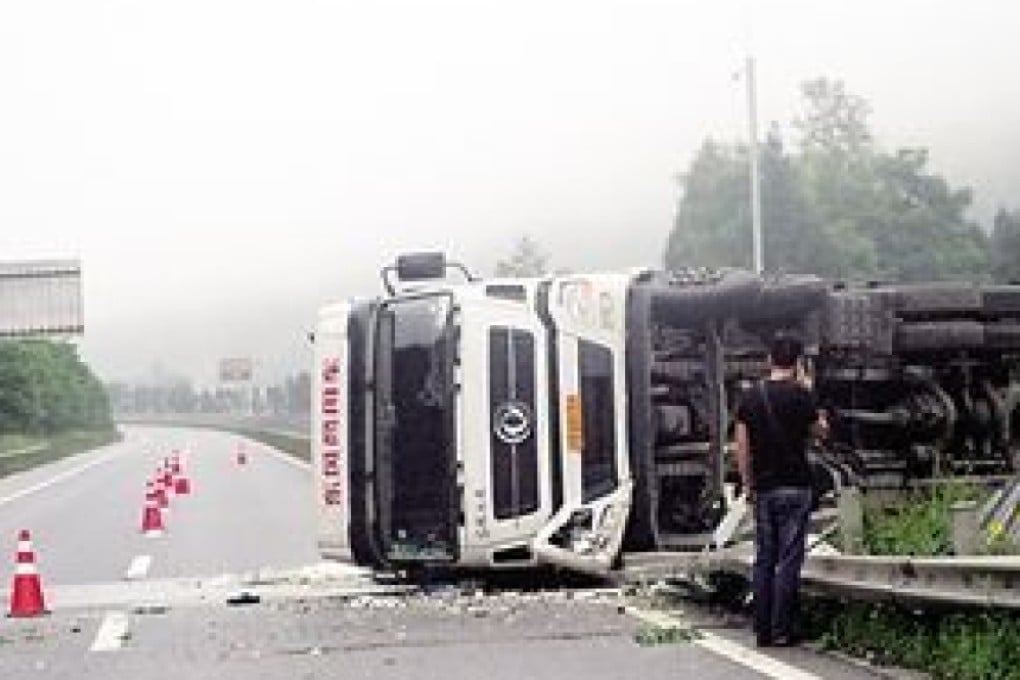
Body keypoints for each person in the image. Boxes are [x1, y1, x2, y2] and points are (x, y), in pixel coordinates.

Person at [734, 333, 828, 647]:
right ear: (798, 363)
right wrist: (810, 392)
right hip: (797, 485)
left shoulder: (750, 398)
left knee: (765, 558)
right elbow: (820, 432)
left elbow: (742, 448)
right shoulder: (802, 396)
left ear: (769, 361)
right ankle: (782, 630)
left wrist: (747, 484)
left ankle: (761, 629)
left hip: (764, 487)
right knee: (789, 559)